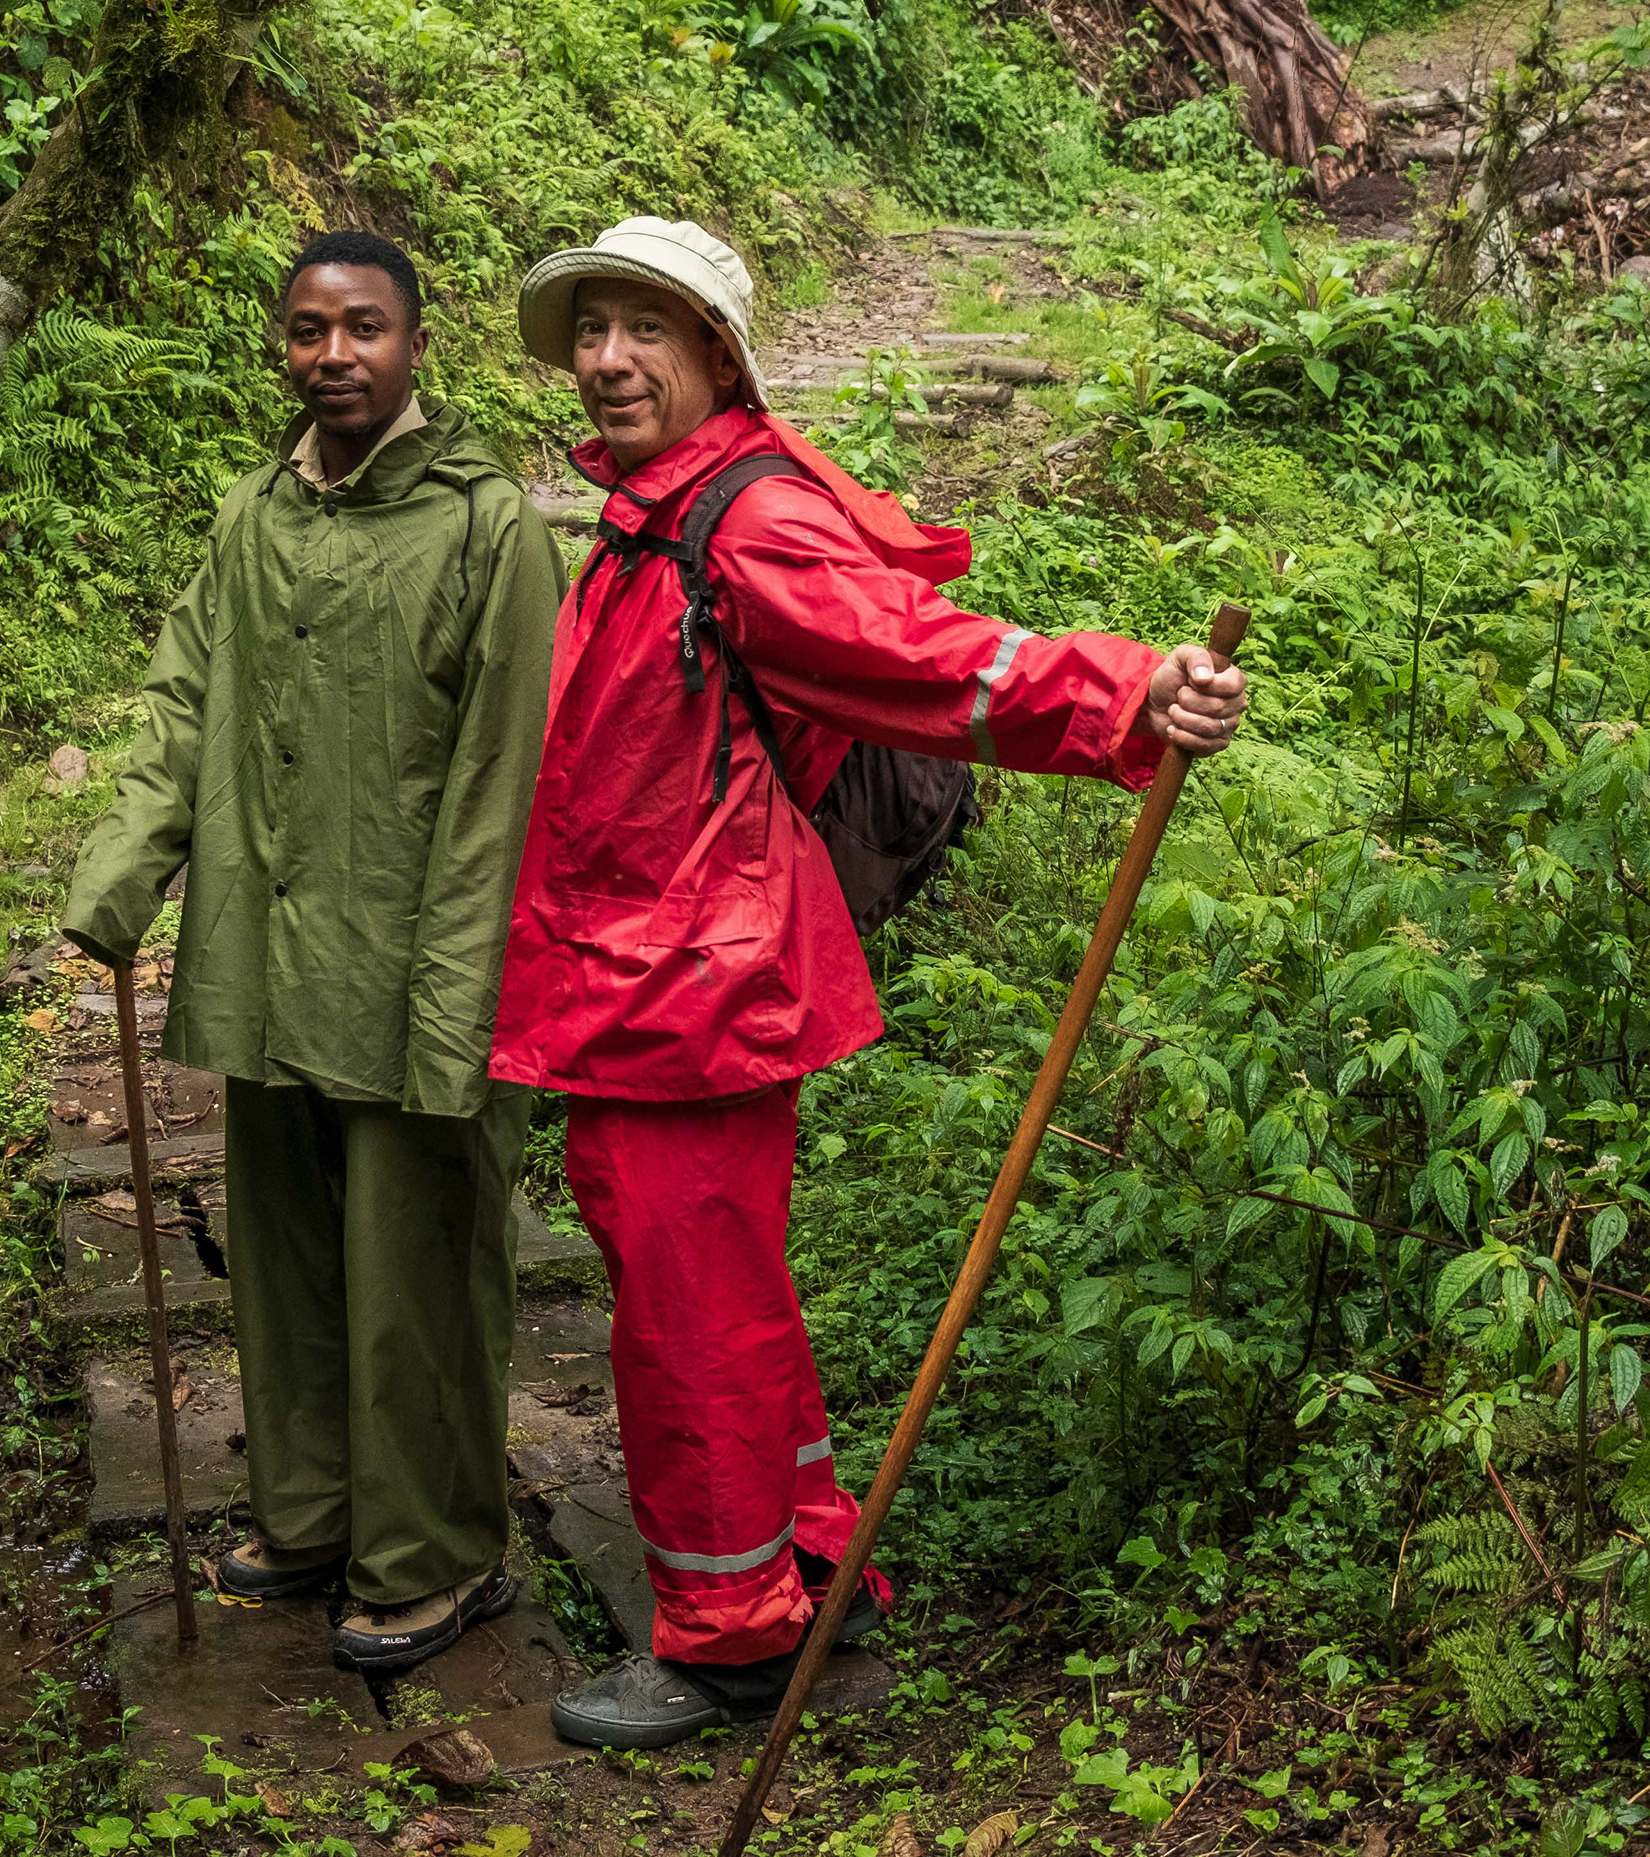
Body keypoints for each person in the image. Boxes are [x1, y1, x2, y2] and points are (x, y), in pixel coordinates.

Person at [494, 217, 1248, 1748]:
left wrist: (1126, 690)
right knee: (720, 1291)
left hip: (684, 988)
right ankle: (802, 1556)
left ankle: (731, 1639)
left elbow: (917, 650)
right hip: (654, 970)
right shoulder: (665, 508)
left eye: (648, 329)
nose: (610, 359)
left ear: (718, 355)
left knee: (687, 1314)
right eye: (592, 330)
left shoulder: (745, 523)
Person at [58, 228, 563, 1675]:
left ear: (416, 344)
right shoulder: (253, 517)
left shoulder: (488, 529)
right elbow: (177, 709)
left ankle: (436, 1554)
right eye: (306, 331)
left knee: (415, 1276)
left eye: (363, 329)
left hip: (420, 975)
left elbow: (498, 788)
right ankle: (313, 1516)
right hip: (269, 963)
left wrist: (460, 999)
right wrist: (120, 877)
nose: (333, 356)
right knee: (282, 1261)